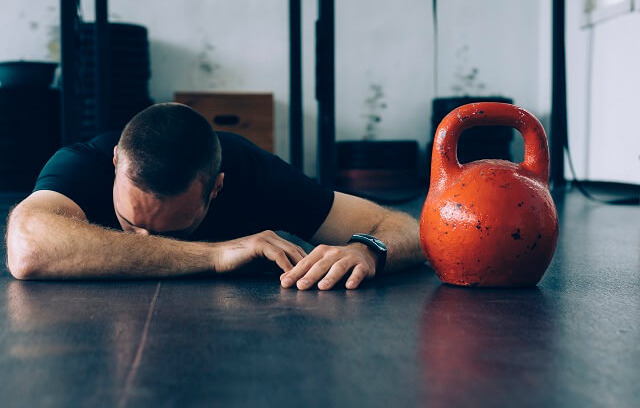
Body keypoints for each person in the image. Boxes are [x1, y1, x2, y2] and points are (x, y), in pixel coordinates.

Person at [5, 103, 424, 290]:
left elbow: (404, 226)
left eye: (178, 227)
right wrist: (215, 254)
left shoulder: (252, 172)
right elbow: (25, 250)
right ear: (116, 163)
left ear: (217, 187)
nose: (146, 239)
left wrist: (368, 250)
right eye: (131, 223)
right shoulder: (83, 163)